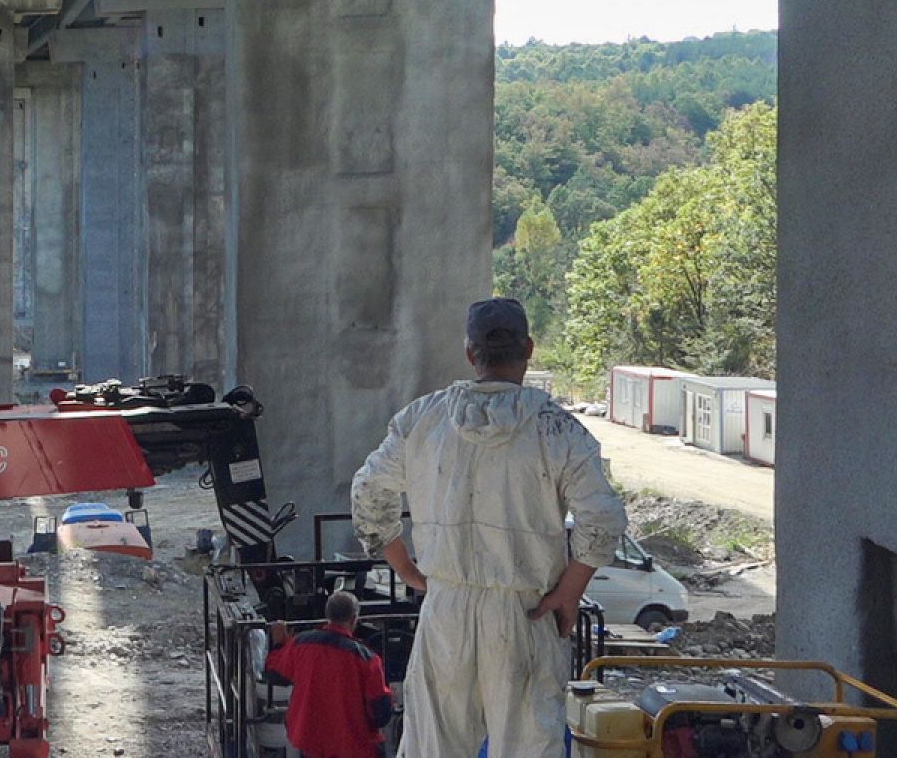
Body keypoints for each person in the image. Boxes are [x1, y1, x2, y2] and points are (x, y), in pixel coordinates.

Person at [350, 298, 626, 758]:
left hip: (446, 610)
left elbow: (368, 493)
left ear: (469, 353)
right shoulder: (555, 429)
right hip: (526, 612)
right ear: (530, 349)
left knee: (433, 747)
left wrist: (408, 571)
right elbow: (603, 517)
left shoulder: (423, 420)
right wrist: (570, 591)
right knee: (526, 747)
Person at [263, 591, 397, 758]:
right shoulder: (368, 660)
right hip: (354, 747)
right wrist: (391, 698)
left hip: (310, 742)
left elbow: (273, 672)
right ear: (354, 619)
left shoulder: (301, 644)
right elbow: (380, 715)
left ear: (327, 615)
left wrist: (278, 643)